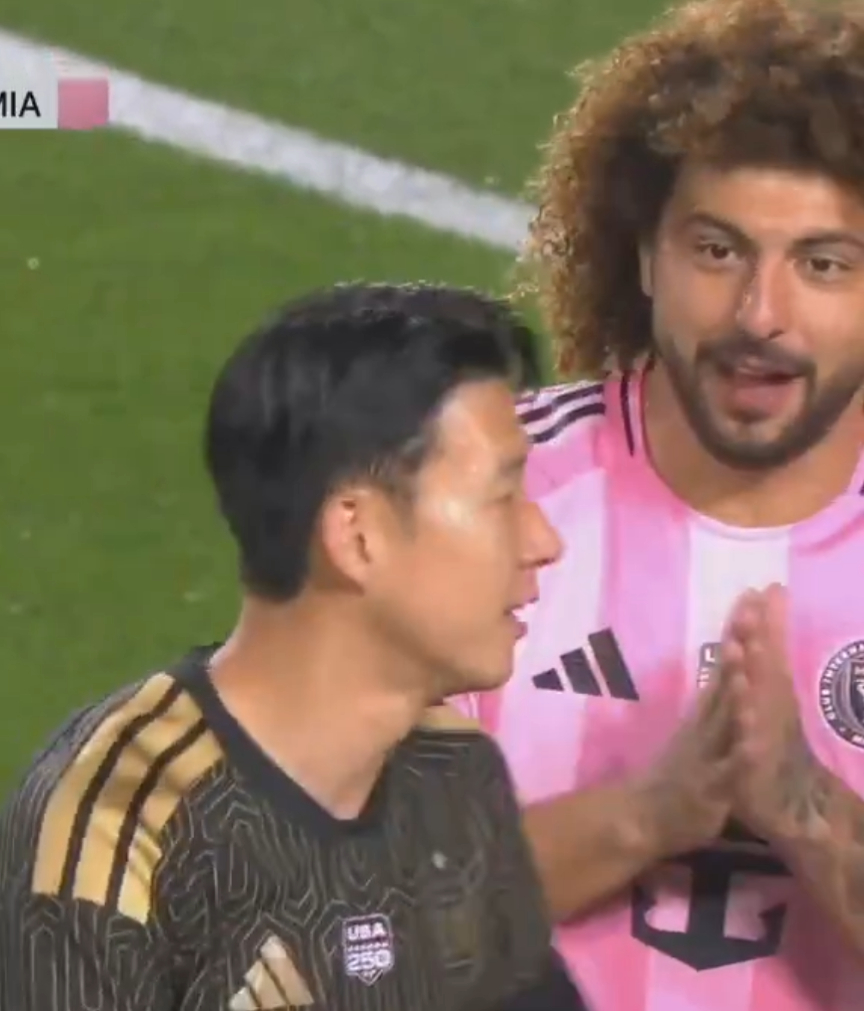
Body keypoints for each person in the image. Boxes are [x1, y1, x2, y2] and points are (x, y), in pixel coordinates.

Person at [0, 282, 571, 1011]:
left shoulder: (454, 778)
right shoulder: (120, 829)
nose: (543, 540)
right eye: (502, 497)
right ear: (356, 535)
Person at [452, 0, 864, 1007]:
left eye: (823, 264)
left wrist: (804, 808)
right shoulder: (479, 493)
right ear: (644, 255)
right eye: (717, 251)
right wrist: (649, 814)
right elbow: (345, 913)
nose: (760, 314)